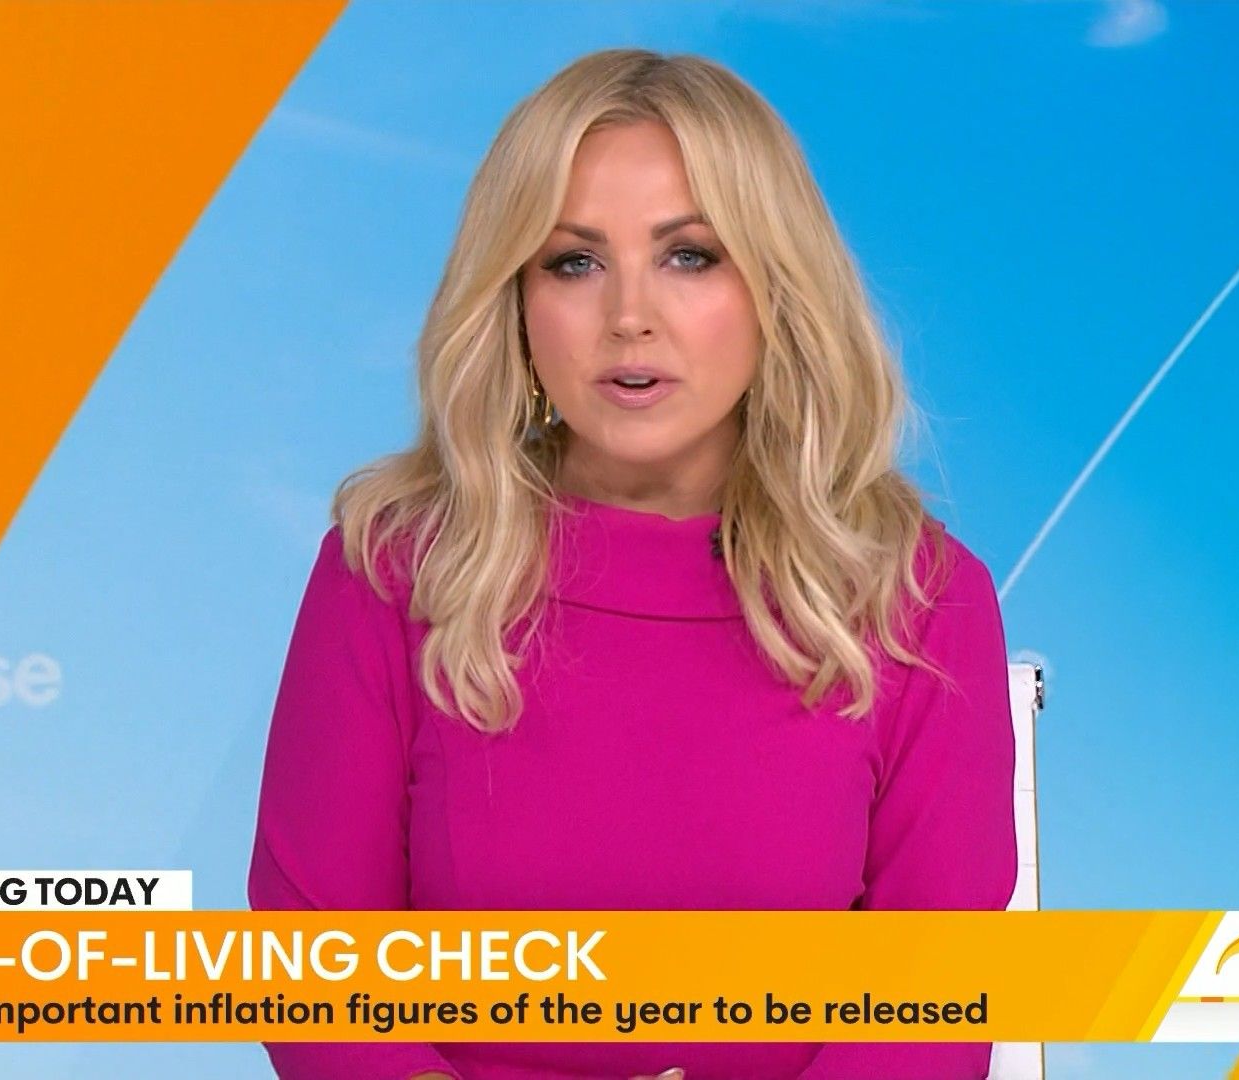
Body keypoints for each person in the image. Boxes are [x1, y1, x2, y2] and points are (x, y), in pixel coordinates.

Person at [247, 47, 1017, 1080]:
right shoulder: (388, 570)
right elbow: (315, 968)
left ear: (775, 288)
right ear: (515, 301)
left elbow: (933, 1008)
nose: (629, 316)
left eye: (689, 256)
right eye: (574, 262)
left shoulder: (922, 598)